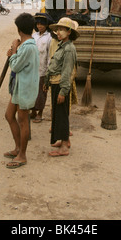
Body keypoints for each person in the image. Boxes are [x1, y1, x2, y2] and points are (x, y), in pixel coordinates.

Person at [4, 13, 39, 168]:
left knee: (23, 121)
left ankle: (22, 155)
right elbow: (16, 60)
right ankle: (18, 148)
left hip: (25, 89)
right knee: (9, 115)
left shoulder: (28, 47)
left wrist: (13, 51)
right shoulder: (25, 46)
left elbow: (16, 66)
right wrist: (14, 52)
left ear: (19, 30)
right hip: (19, 87)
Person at [44, 17, 78, 157]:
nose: (58, 32)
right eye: (57, 29)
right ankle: (65, 140)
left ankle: (64, 147)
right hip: (55, 83)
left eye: (62, 29)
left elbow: (67, 72)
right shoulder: (61, 46)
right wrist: (47, 82)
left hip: (61, 85)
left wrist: (63, 92)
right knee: (58, 115)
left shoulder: (69, 49)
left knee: (62, 115)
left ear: (69, 32)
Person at [30, 13, 53, 123]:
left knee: (41, 92)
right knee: (32, 91)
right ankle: (33, 111)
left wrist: (48, 70)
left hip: (43, 69)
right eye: (38, 24)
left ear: (46, 25)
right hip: (32, 69)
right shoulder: (34, 36)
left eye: (42, 24)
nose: (39, 26)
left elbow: (49, 55)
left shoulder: (49, 38)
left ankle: (40, 113)